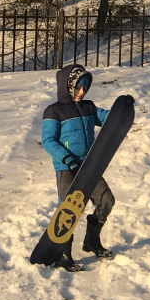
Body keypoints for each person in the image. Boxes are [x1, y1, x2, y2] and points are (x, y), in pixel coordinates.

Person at [40, 63, 114, 268]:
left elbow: (108, 118)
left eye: (84, 88)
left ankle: (92, 240)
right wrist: (67, 159)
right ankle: (64, 255)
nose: (81, 92)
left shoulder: (88, 107)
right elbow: (48, 140)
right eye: (77, 88)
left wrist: (123, 108)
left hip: (89, 166)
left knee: (107, 200)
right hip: (66, 168)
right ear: (68, 86)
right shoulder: (53, 111)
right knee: (68, 211)